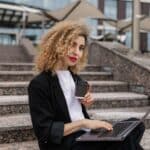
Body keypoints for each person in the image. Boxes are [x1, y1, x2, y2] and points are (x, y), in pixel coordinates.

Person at [28, 20, 145, 150]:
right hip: (65, 143)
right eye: (72, 45)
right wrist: (85, 122)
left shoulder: (75, 78)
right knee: (124, 142)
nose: (76, 52)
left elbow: (75, 109)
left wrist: (85, 103)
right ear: (58, 44)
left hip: (86, 135)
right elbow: (45, 132)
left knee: (136, 125)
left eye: (81, 48)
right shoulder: (39, 84)